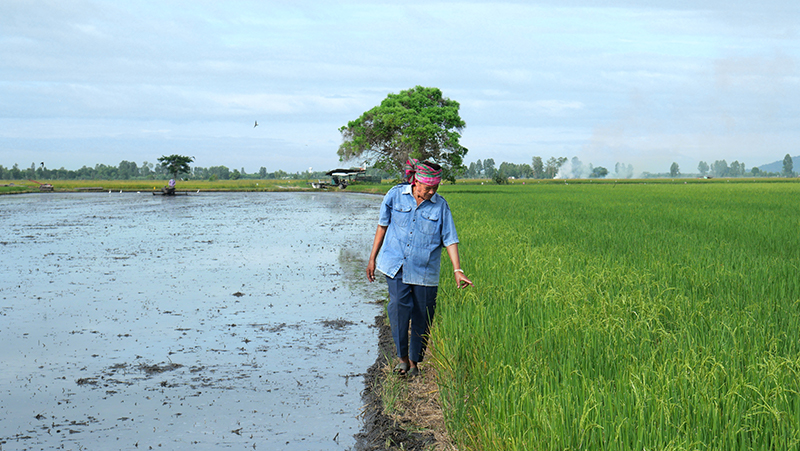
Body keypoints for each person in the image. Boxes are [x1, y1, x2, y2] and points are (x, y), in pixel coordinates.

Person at [366, 159, 473, 377]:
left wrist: (457, 270)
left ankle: (415, 361)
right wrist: (372, 258)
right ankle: (402, 358)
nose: (431, 191)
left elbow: (449, 238)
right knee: (398, 309)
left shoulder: (441, 206)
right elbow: (382, 226)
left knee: (422, 315)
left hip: (425, 270)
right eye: (428, 187)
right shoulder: (395, 196)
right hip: (396, 265)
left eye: (435, 187)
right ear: (416, 182)